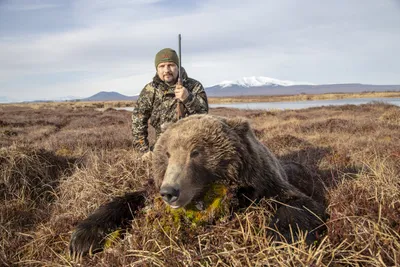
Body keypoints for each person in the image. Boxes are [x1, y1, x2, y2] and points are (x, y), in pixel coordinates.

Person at [132, 48, 209, 152]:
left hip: (191, 148)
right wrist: (143, 151)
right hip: (162, 149)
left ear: (178, 67)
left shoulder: (194, 86)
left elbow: (204, 117)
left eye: (171, 65)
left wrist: (188, 98)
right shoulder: (149, 90)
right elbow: (138, 122)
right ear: (157, 69)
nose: (166, 70)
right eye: (162, 66)